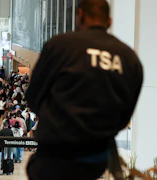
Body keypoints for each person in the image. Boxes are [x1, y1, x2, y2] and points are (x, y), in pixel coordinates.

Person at [25, 0, 143, 179]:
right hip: (95, 161)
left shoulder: (60, 46)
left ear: (79, 15)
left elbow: (33, 97)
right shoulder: (129, 59)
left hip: (55, 157)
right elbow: (125, 115)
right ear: (109, 22)